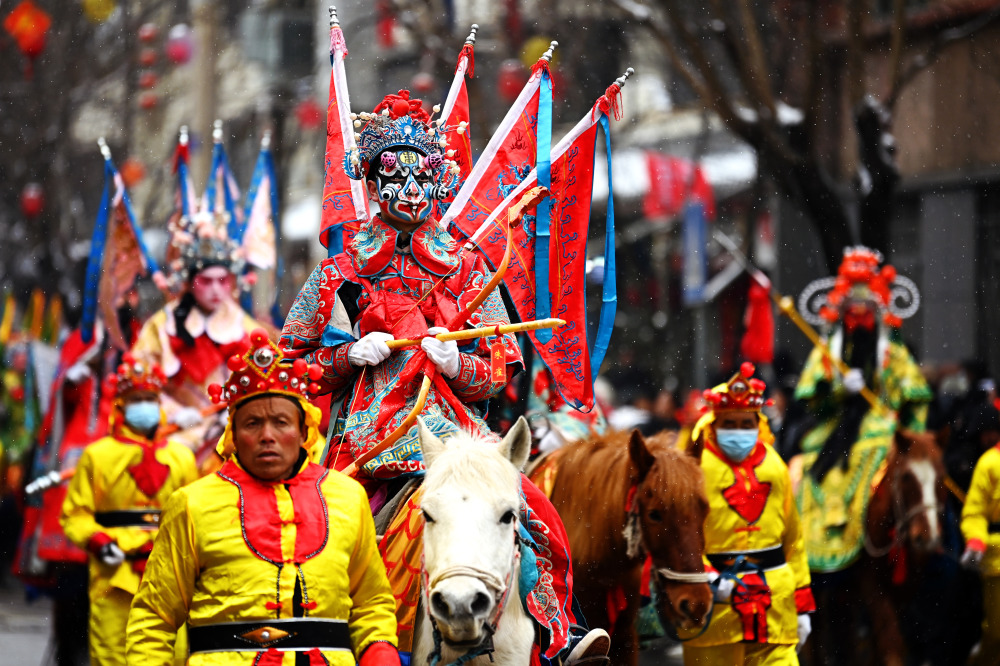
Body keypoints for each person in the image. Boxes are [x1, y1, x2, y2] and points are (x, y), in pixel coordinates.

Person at [280, 91, 609, 665]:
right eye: (393, 175)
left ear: (437, 181)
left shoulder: (464, 263)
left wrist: (459, 364)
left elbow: (499, 367)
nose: (408, 189)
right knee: (319, 539)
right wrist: (346, 356)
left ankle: (560, 633)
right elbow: (289, 367)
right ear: (372, 182)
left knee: (532, 514)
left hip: (456, 436)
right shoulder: (341, 268)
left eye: (420, 176)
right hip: (371, 440)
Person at [126, 330, 400, 665]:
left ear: (303, 431)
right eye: (252, 423)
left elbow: (372, 604)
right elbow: (153, 619)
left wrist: (380, 652)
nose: (267, 435)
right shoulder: (191, 504)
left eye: (281, 422)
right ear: (233, 435)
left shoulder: (348, 497)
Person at [60, 354, 198, 666]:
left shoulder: (182, 457)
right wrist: (98, 541)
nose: (145, 405)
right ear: (121, 405)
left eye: (151, 398)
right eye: (137, 399)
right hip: (114, 572)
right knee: (111, 652)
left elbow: (194, 513)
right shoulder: (97, 455)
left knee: (171, 652)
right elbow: (75, 513)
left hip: (166, 568)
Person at [683, 362, 815, 665]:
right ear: (713, 424)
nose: (739, 432)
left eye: (747, 424)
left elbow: (793, 541)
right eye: (729, 424)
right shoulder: (694, 470)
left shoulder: (775, 465)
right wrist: (708, 580)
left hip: (775, 610)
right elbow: (679, 540)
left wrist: (803, 603)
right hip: (714, 615)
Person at [132, 206, 264, 464]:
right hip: (178, 432)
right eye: (206, 281)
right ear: (190, 281)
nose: (216, 290)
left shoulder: (246, 328)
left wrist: (238, 413)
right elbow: (139, 380)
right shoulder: (161, 327)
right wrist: (171, 413)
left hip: (234, 430)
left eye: (222, 281)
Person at [960, 438, 1000, 666]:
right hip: (997, 560)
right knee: (996, 634)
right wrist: (976, 540)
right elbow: (975, 511)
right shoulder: (989, 463)